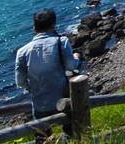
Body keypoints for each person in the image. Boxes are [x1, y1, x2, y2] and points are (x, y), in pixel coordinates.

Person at [15, 8, 82, 143]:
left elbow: (20, 81)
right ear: (53, 25)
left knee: (43, 138)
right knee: (72, 134)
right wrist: (77, 57)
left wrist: (33, 88)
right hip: (63, 100)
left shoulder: (22, 52)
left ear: (34, 28)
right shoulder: (61, 41)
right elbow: (71, 67)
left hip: (40, 104)